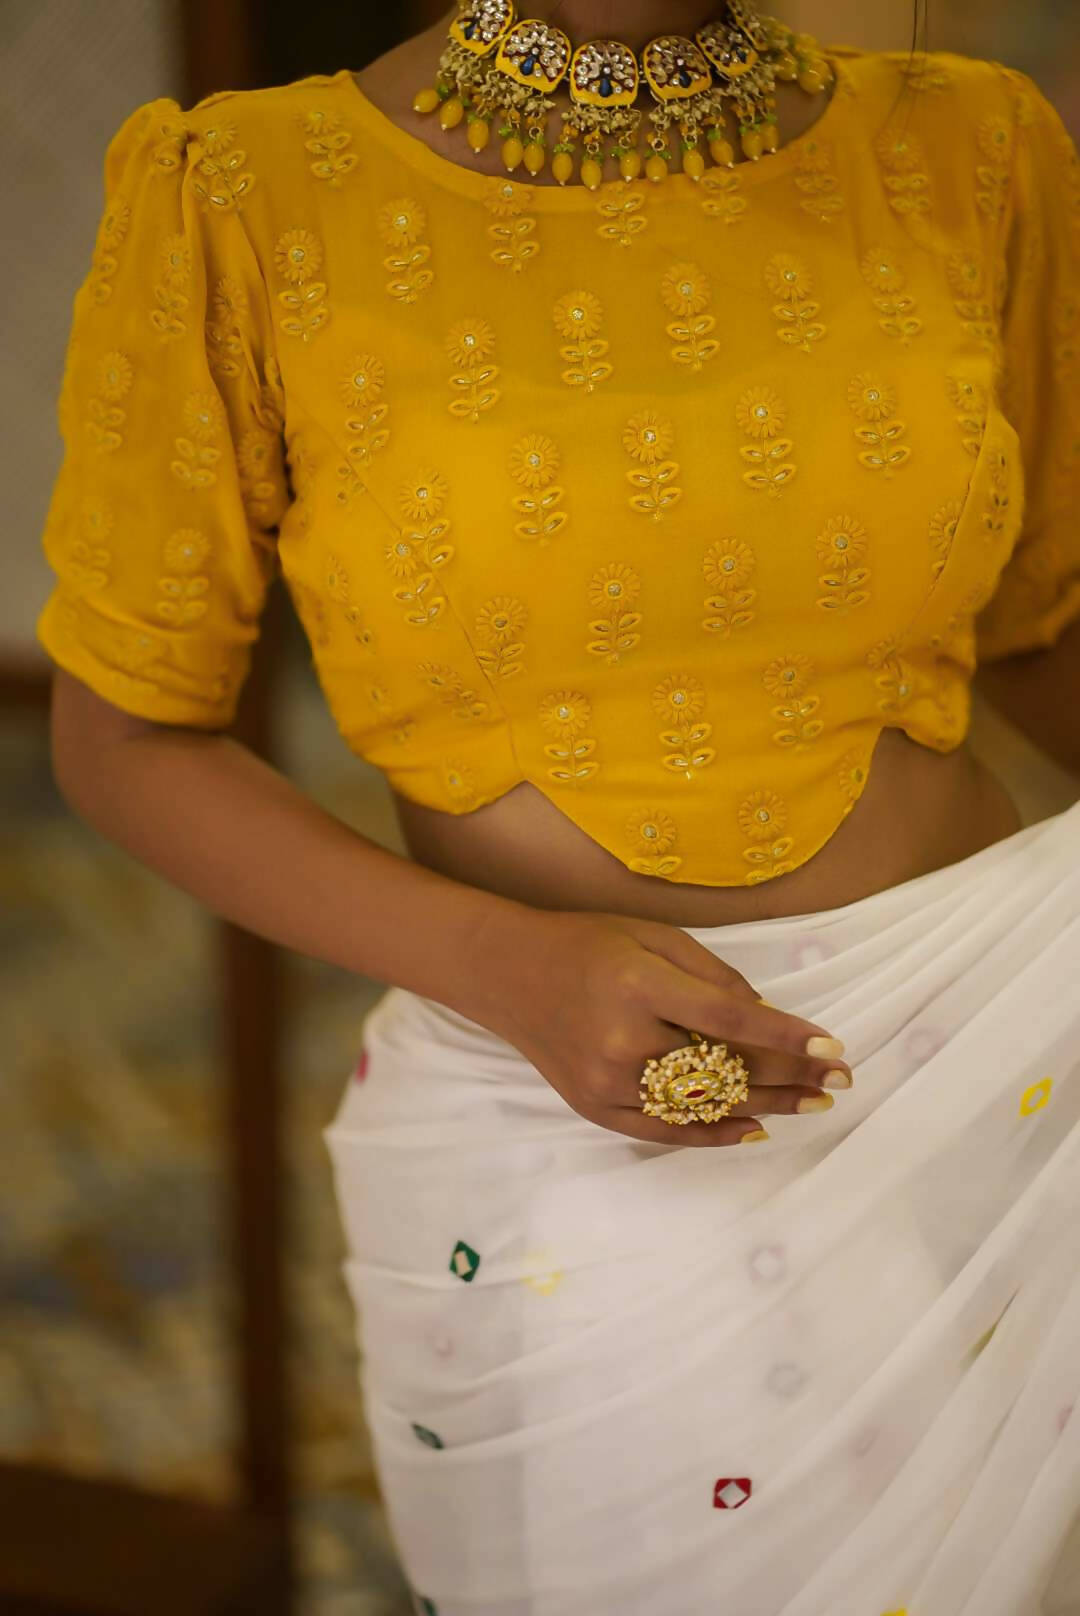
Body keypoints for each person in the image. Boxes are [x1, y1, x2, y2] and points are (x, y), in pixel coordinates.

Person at [35, 0, 1080, 1609]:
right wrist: (506, 966)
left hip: (1011, 1055)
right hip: (561, 1098)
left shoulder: (974, 145)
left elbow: (1042, 631)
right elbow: (126, 740)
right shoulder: (248, 194)